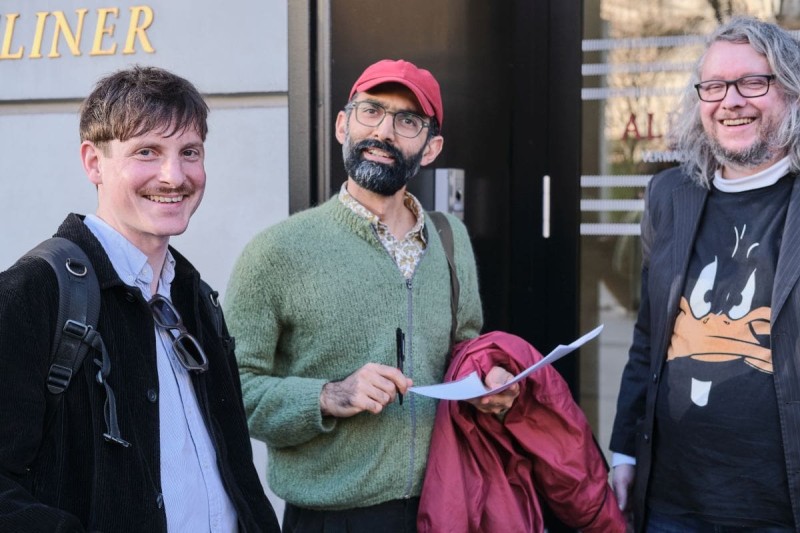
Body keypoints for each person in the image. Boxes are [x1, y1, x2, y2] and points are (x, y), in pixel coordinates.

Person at [225, 59, 519, 532]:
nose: (383, 131)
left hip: (445, 505)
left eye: (408, 121)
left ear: (430, 147)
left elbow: (465, 349)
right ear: (343, 125)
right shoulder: (276, 252)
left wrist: (488, 381)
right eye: (371, 111)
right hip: (331, 520)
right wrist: (328, 395)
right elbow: (231, 390)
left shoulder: (450, 238)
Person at [0, 66, 280, 532]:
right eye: (147, 151)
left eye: (189, 152)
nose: (174, 176)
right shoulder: (32, 294)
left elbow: (236, 473)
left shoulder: (195, 298)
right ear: (93, 162)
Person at [610, 16, 800, 532]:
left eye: (752, 82)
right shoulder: (669, 195)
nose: (730, 101)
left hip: (780, 506)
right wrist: (624, 449)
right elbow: (649, 335)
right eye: (714, 86)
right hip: (673, 503)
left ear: (790, 91)